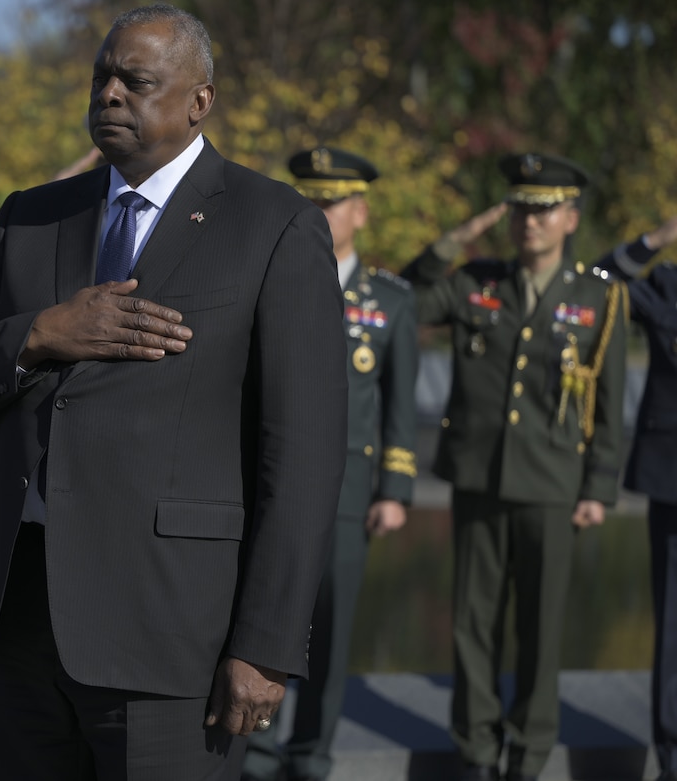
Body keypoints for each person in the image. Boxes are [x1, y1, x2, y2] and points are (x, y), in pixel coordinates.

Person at [0, 4, 347, 780]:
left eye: (135, 81)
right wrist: (40, 333)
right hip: (20, 621)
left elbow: (304, 455)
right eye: (100, 78)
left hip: (174, 634)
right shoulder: (32, 215)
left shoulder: (274, 224)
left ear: (198, 100)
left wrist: (267, 644)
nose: (108, 94)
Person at [400, 153, 627, 781]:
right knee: (473, 626)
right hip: (479, 478)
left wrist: (598, 488)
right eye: (522, 208)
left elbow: (606, 405)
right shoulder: (476, 282)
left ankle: (527, 755)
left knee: (540, 628)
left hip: (553, 485)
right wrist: (453, 241)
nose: (530, 221)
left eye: (544, 210)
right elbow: (407, 302)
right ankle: (475, 750)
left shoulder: (598, 297)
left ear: (570, 219)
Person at [243, 148, 418, 781]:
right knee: (262, 614)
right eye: (309, 198)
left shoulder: (391, 300)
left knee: (332, 628)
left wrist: (394, 488)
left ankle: (311, 754)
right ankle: (256, 751)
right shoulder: (269, 273)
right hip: (268, 481)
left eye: (333, 202)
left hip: (347, 491)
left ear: (361, 212)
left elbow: (401, 405)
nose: (319, 212)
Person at [593, 214, 677, 781]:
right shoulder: (667, 284)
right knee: (674, 633)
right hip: (674, 481)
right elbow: (597, 280)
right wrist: (657, 237)